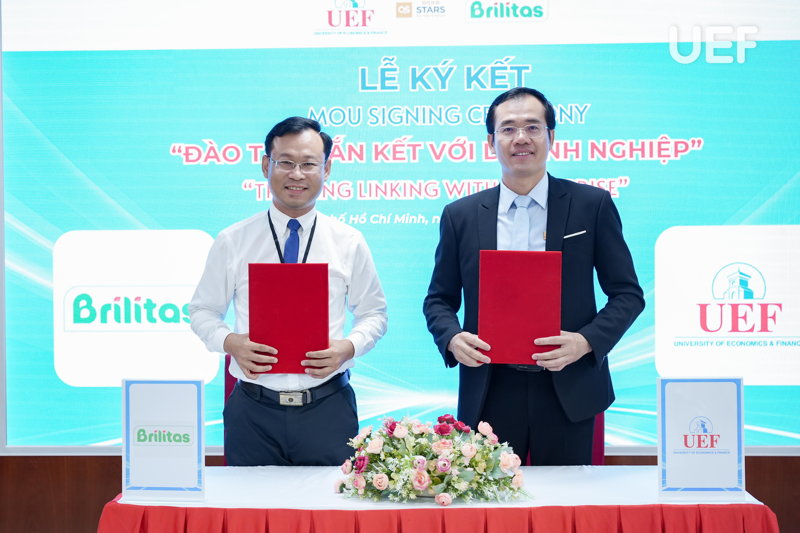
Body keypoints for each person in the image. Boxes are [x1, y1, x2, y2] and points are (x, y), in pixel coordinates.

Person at [423, 87, 644, 465]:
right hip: (491, 389)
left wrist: (586, 342)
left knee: (569, 499)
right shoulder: (461, 215)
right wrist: (452, 338)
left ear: (551, 136)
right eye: (508, 129)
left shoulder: (591, 205)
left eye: (532, 127)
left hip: (568, 385)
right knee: (492, 499)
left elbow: (627, 294)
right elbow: (438, 299)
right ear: (490, 141)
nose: (521, 138)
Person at [190, 116, 387, 466]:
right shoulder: (233, 240)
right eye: (286, 162)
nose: (297, 174)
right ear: (266, 165)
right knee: (251, 503)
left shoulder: (348, 241)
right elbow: (202, 311)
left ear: (327, 169)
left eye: (309, 164)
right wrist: (230, 342)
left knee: (330, 503)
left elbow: (374, 314)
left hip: (328, 408)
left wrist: (348, 347)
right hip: (254, 412)